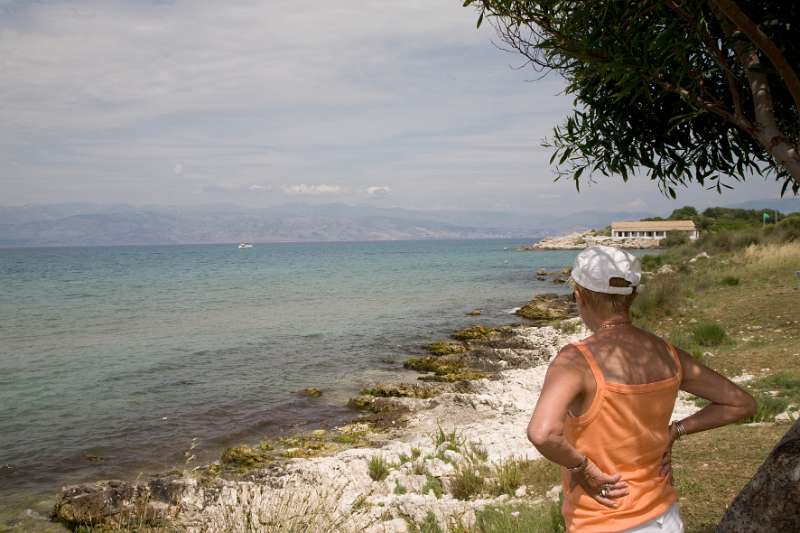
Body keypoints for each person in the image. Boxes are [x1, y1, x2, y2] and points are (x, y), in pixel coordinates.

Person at [527, 245, 757, 532]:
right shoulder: (666, 352)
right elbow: (741, 403)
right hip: (665, 516)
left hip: (603, 521)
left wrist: (583, 467)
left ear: (579, 297)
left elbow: (543, 433)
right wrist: (676, 430)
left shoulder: (576, 360)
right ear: (632, 297)